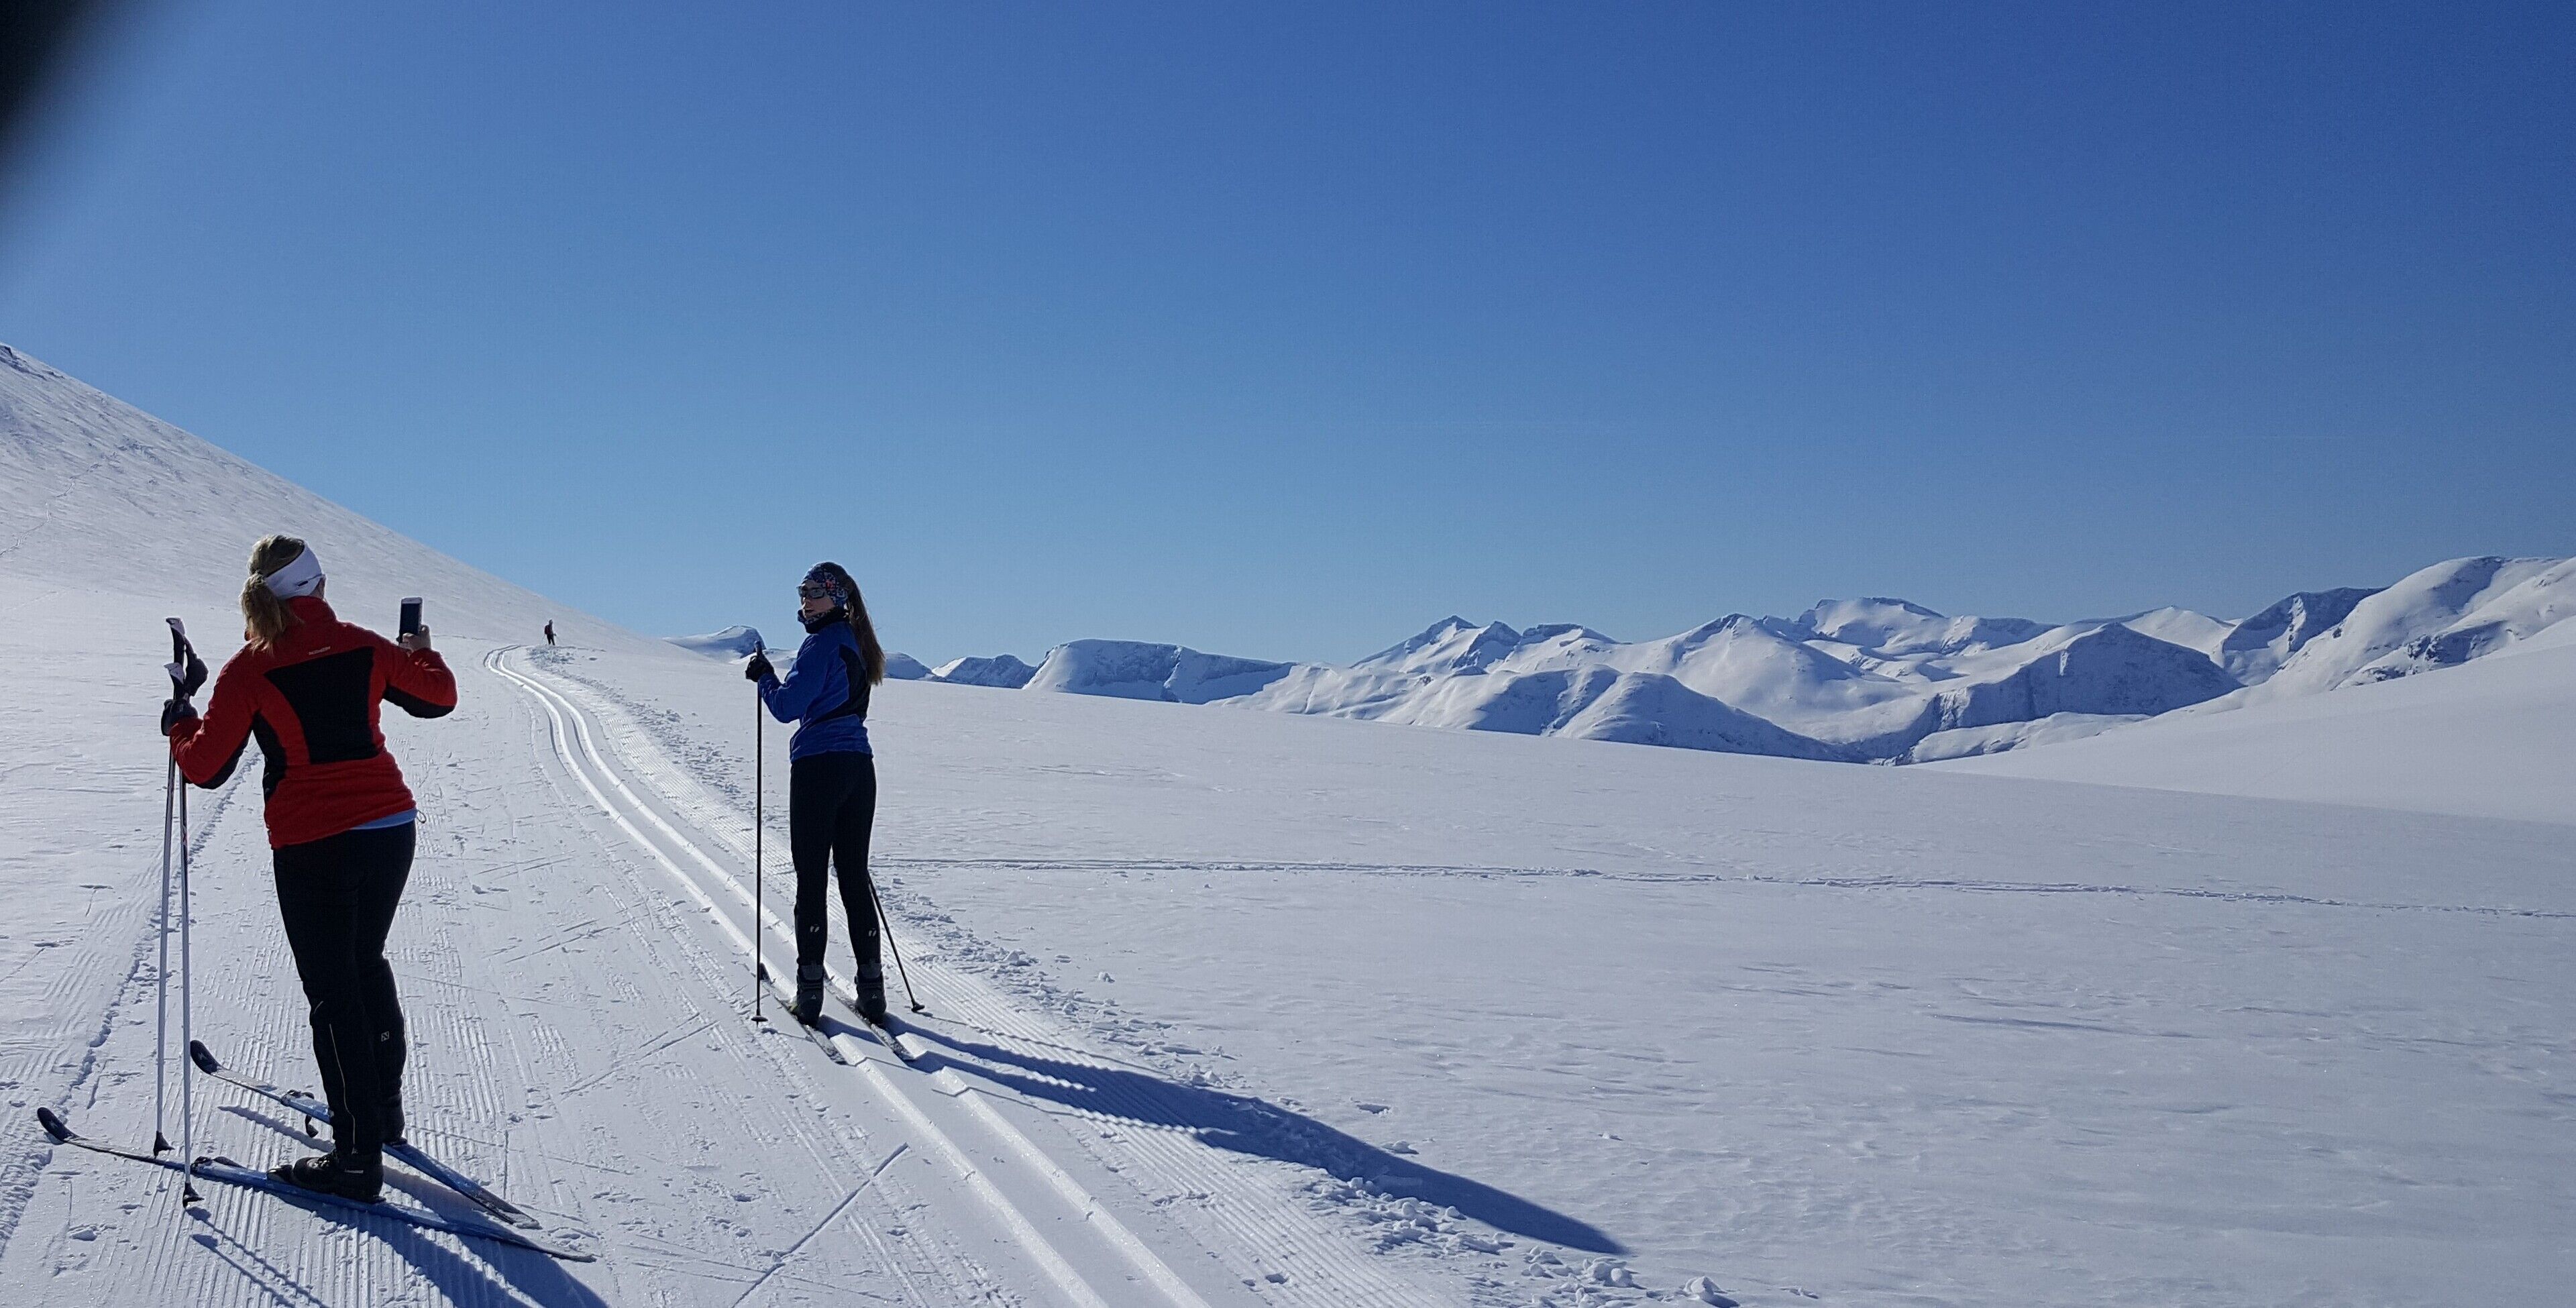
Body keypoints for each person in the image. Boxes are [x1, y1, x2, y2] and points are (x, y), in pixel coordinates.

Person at [164, 535, 455, 1203]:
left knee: (334, 993)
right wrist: (420, 651)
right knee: (365, 963)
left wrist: (179, 724)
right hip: (390, 830)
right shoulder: (365, 645)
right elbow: (438, 697)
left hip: (314, 845)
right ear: (318, 587)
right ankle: (380, 1115)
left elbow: (205, 767)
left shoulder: (249, 670)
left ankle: (355, 1159)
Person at [744, 561, 888, 1026]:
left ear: (836, 598)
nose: (805, 602)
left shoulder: (821, 643)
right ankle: (872, 990)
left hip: (817, 768)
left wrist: (764, 677)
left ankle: (809, 994)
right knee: (854, 876)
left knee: (811, 879)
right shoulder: (858, 643)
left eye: (813, 593)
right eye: (802, 593)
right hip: (859, 769)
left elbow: (788, 707)